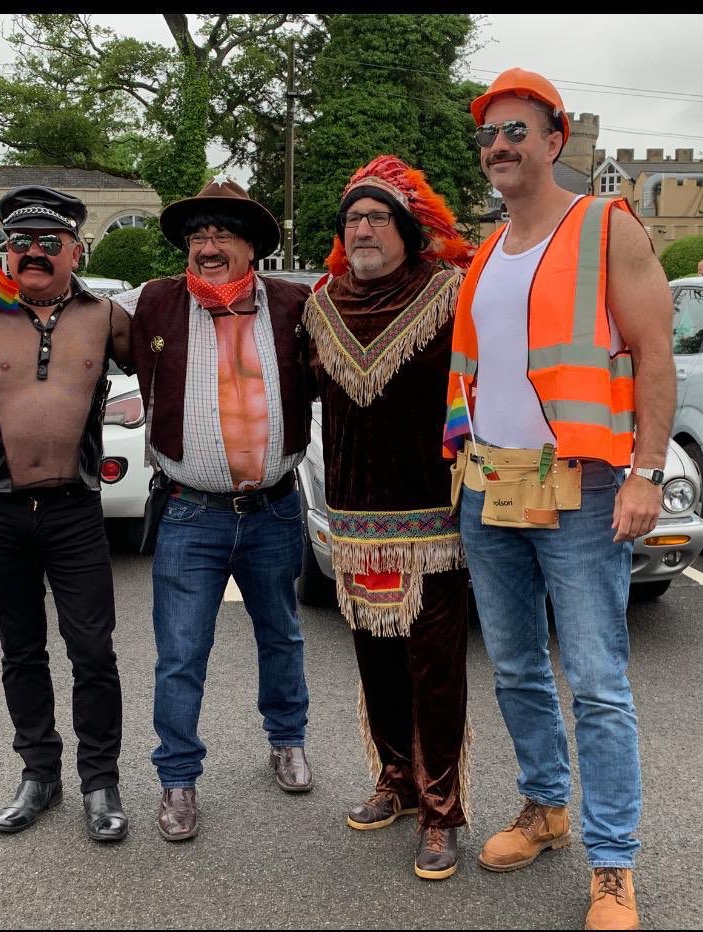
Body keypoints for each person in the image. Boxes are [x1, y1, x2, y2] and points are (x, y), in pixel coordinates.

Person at [443, 69, 675, 929]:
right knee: (512, 666)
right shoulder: (485, 251)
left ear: (553, 140)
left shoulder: (603, 226)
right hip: (494, 483)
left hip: (581, 486)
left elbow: (653, 354)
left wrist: (645, 472)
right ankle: (545, 808)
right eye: (488, 135)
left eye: (514, 131)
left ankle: (612, 863)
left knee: (597, 681)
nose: (498, 146)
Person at [122, 177, 315, 841]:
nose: (207, 243)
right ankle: (177, 780)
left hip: (274, 508)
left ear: (253, 247)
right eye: (197, 233)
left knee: (281, 634)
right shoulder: (151, 303)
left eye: (222, 233)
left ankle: (286, 740)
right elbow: (76, 320)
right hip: (188, 511)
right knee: (180, 652)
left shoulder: (295, 304)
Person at [304, 156, 475, 880]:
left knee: (434, 671)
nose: (363, 228)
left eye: (376, 217)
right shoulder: (320, 304)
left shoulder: (448, 294)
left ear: (406, 228)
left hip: (432, 522)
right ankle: (396, 781)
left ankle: (441, 810)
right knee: (374, 657)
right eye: (352, 219)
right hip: (352, 518)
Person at [0, 186, 131, 841]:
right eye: (19, 241)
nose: (32, 252)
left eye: (49, 241)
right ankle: (39, 775)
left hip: (75, 512)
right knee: (20, 652)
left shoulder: (107, 316)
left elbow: (171, 374)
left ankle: (100, 782)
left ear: (76, 249)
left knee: (92, 652)